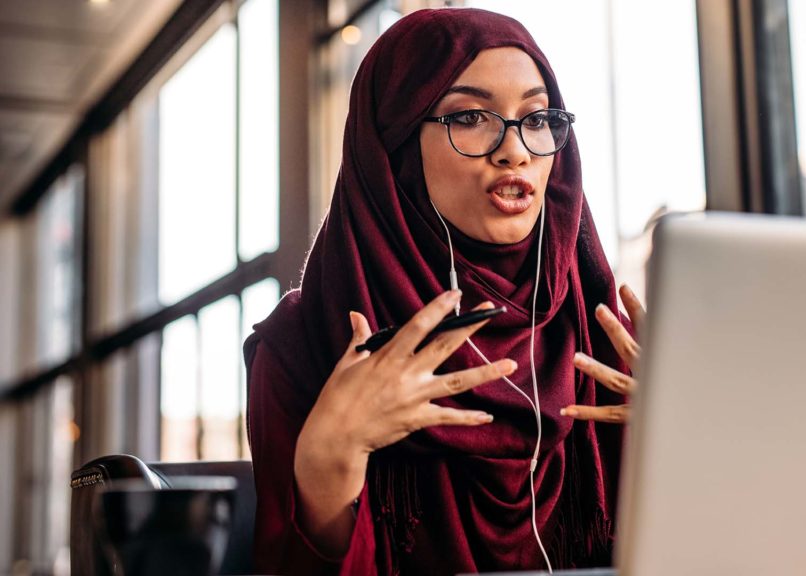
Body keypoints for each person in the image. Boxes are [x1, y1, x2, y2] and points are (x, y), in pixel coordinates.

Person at [243, 8, 644, 575]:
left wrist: (686, 440)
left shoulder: (598, 332)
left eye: (536, 117)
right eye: (472, 116)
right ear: (395, 147)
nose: (516, 151)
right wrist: (328, 462)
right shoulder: (305, 344)